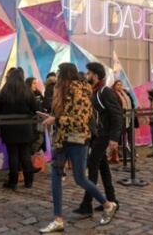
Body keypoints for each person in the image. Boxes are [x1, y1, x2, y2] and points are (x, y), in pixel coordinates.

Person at [39, 62, 118, 233]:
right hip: (61, 140)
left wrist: (57, 120)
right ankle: (58, 219)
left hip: (77, 140)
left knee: (80, 178)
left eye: (59, 73)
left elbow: (80, 119)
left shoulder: (80, 91)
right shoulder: (62, 91)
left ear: (66, 74)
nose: (57, 76)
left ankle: (107, 204)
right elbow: (66, 115)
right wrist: (53, 117)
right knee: (55, 178)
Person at [72, 62, 122, 218]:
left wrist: (114, 138)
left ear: (95, 75)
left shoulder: (104, 92)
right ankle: (111, 199)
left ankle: (87, 204)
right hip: (97, 135)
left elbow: (117, 115)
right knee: (102, 165)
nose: (86, 76)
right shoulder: (94, 91)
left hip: (105, 135)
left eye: (88, 73)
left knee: (93, 163)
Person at [0, 69, 40, 190]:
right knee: (24, 153)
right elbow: (34, 107)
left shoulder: (5, 90)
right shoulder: (26, 91)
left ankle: (13, 181)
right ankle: (28, 180)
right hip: (25, 125)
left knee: (12, 154)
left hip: (9, 126)